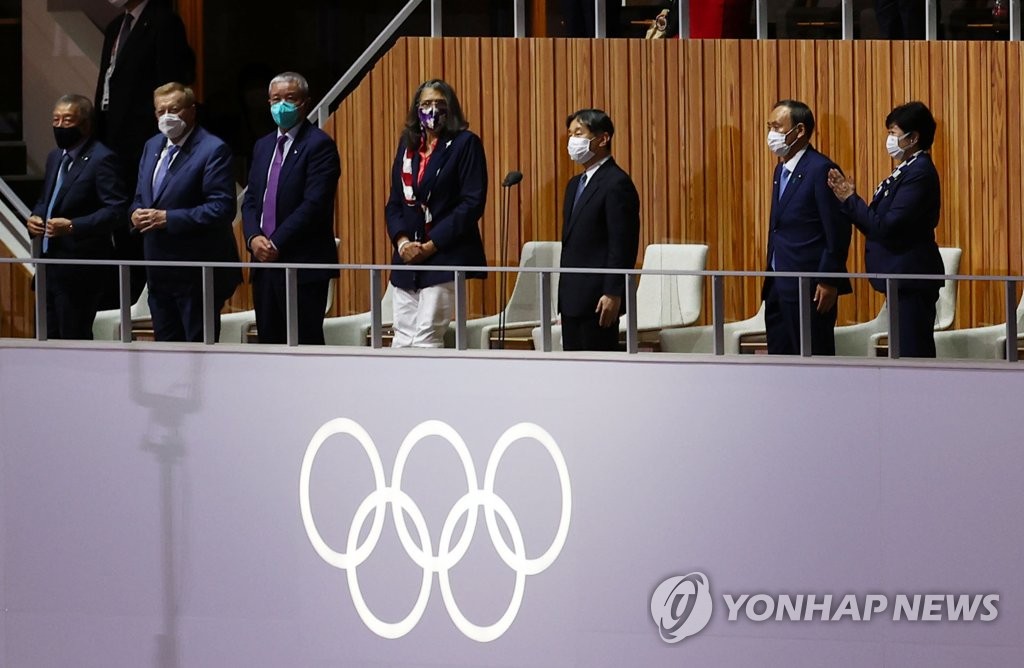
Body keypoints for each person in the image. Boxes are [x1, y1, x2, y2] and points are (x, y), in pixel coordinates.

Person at [94, 0, 196, 305]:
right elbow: (107, 82)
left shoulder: (163, 21)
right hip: (112, 137)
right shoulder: (115, 26)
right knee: (120, 219)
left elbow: (171, 84)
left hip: (144, 139)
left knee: (144, 221)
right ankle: (124, 294)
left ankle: (144, 292)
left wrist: (162, 136)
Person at [827, 101, 943, 358]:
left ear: (913, 138)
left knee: (913, 355)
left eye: (894, 133)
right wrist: (850, 203)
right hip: (899, 279)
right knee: (902, 354)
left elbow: (887, 226)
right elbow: (877, 225)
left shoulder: (920, 173)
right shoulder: (905, 170)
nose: (889, 139)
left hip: (912, 277)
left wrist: (850, 200)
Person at [130, 82, 240, 342]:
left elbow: (222, 208)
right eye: (161, 111)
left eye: (174, 109)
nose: (167, 116)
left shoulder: (213, 149)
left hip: (197, 272)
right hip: (158, 270)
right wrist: (135, 213)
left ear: (192, 110)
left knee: (197, 354)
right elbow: (139, 197)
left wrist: (167, 218)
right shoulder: (152, 145)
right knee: (166, 354)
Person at [384, 79, 488, 348]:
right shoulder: (407, 147)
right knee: (402, 338)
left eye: (439, 104)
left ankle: (429, 390)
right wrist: (403, 243)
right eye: (426, 104)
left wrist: (430, 246)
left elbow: (471, 204)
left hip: (443, 255)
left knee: (426, 338)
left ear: (451, 108)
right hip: (407, 259)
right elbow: (395, 202)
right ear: (416, 109)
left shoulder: (465, 144)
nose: (432, 110)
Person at [242, 72, 341, 345]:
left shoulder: (319, 145)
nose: (281, 105)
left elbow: (314, 204)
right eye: (276, 99)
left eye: (290, 98)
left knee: (304, 345)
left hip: (302, 263)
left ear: (305, 103)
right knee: (269, 345)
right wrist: (253, 239)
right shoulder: (263, 146)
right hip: (264, 264)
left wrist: (275, 242)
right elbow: (251, 201)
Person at [26, 94, 128, 339]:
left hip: (80, 269)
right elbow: (46, 201)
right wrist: (35, 217)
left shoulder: (102, 158)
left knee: (72, 338)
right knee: (43, 336)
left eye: (67, 120)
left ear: (85, 124)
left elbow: (115, 211)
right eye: (56, 120)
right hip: (48, 265)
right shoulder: (54, 157)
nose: (60, 126)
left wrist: (73, 226)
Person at [763, 99, 852, 355]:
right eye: (769, 127)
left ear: (799, 130)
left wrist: (829, 279)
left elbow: (837, 230)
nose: (772, 134)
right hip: (778, 284)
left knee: (814, 363)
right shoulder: (780, 171)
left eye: (777, 127)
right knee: (780, 363)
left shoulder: (821, 168)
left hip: (811, 289)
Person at [558, 108, 641, 352]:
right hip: (572, 296)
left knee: (598, 373)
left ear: (603, 139)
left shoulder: (617, 183)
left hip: (599, 299)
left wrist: (613, 292)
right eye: (570, 134)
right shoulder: (575, 185)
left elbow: (622, 243)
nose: (572, 141)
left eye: (579, 134)